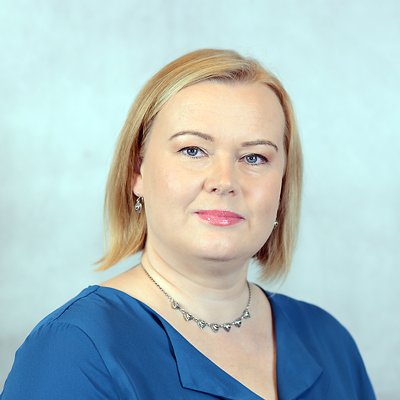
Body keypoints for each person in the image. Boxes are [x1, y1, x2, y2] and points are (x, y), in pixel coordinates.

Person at [1, 49, 375, 400]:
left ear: (282, 185)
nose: (225, 181)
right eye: (193, 150)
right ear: (136, 173)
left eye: (255, 157)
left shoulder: (329, 342)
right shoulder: (74, 349)